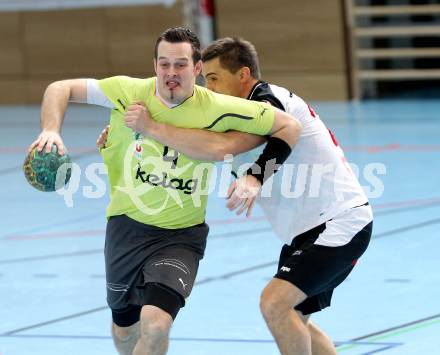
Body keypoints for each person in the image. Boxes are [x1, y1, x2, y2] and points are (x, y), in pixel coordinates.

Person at [28, 28, 302, 355]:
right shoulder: (129, 91)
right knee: (124, 330)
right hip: (125, 228)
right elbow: (60, 88)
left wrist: (255, 176)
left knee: (156, 325)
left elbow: (288, 126)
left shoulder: (217, 107)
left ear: (197, 68)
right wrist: (50, 129)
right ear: (154, 64)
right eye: (164, 64)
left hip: (181, 236)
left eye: (181, 65)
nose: (171, 73)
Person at [97, 37, 373, 355]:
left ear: (243, 75)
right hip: (308, 231)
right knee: (295, 318)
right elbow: (189, 144)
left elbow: (242, 140)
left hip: (337, 223)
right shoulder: (229, 117)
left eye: (214, 79)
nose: (208, 88)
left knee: (274, 304)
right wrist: (121, 135)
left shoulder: (266, 101)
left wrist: (255, 178)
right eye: (205, 80)